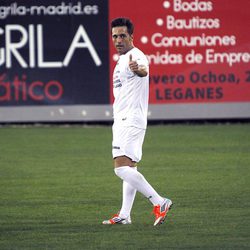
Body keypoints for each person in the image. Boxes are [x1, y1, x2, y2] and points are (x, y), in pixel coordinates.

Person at [102, 17, 173, 226]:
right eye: (115, 36)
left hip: (130, 119)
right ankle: (125, 215)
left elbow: (143, 70)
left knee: (120, 168)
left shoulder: (136, 56)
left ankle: (159, 201)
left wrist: (137, 69)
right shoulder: (121, 59)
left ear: (131, 36)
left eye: (123, 35)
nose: (118, 40)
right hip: (125, 118)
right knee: (129, 168)